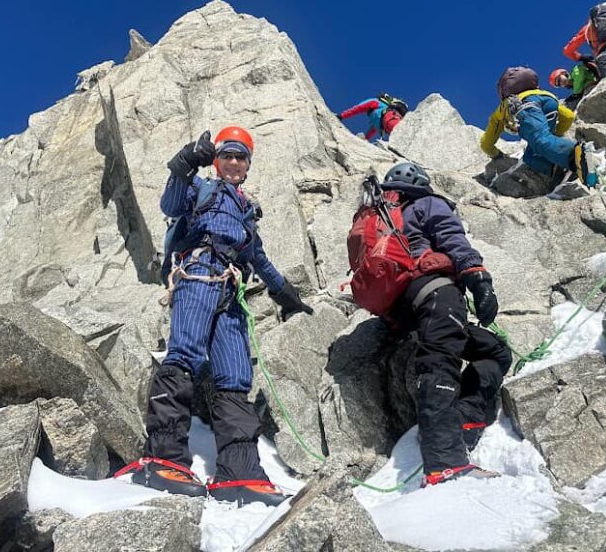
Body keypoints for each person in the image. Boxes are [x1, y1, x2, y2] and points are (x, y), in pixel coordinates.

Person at [131, 126, 313, 506]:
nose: (233, 162)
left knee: (234, 378)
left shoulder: (247, 213)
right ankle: (163, 457)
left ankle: (240, 471)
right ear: (217, 160)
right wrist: (184, 165)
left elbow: (258, 258)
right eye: (227, 155)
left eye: (240, 157)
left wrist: (285, 294)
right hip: (199, 271)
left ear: (247, 165)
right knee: (184, 355)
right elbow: (170, 205)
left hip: (230, 290)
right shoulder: (202, 188)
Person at [378, 162, 512, 485]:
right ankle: (444, 462)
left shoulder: (385, 221)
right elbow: (452, 238)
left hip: (409, 308)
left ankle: (462, 420)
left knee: (496, 352)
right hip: (438, 294)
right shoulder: (428, 204)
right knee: (439, 364)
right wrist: (479, 279)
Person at [480, 66, 600, 188]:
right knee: (530, 156)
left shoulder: (505, 107)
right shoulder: (539, 93)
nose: (514, 130)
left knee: (539, 140)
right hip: (550, 100)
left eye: (510, 128)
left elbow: (486, 144)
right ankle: (558, 168)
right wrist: (555, 136)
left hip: (524, 105)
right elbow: (568, 116)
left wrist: (496, 154)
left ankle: (576, 156)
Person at [337, 93, 408, 141]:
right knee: (403, 137)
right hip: (389, 122)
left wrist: (341, 116)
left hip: (389, 118)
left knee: (402, 135)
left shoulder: (375, 102)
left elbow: (357, 109)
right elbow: (374, 129)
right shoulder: (376, 118)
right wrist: (366, 139)